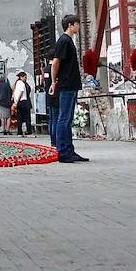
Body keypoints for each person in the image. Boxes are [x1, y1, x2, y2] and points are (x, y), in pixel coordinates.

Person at [50, 15, 87, 163]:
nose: (79, 27)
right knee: (63, 118)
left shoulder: (68, 41)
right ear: (70, 25)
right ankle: (63, 151)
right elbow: (56, 62)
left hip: (71, 84)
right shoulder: (64, 41)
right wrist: (54, 82)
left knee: (68, 118)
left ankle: (69, 149)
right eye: (77, 24)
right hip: (66, 84)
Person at [12, 70, 33, 136]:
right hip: (24, 101)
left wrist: (15, 101)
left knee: (20, 117)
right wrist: (17, 100)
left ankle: (20, 131)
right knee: (27, 117)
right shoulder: (22, 83)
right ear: (21, 77)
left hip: (21, 102)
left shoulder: (17, 83)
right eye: (25, 77)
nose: (25, 79)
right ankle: (28, 131)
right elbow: (21, 92)